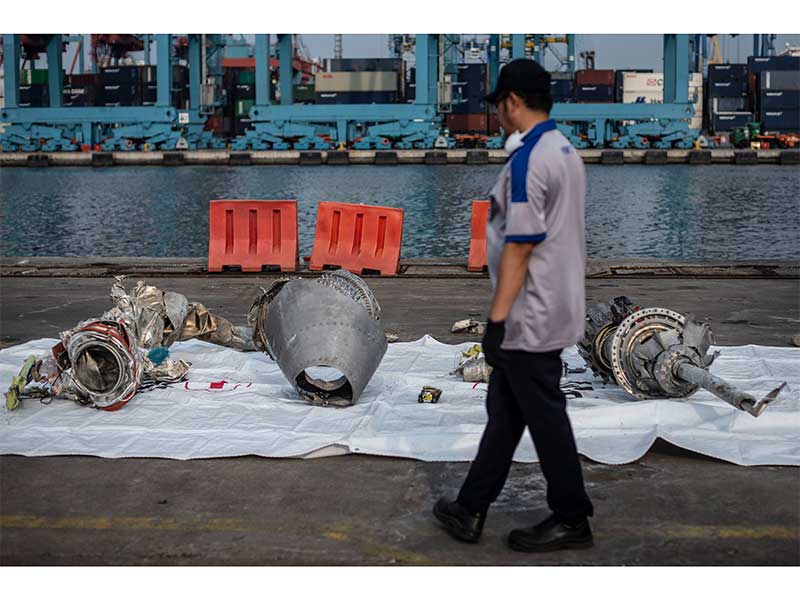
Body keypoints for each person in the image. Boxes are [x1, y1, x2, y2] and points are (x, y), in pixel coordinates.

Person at [433, 59, 594, 553]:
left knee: (544, 415)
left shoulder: (528, 160)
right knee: (505, 410)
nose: (498, 116)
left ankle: (571, 516)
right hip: (557, 301)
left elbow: (520, 245)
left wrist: (497, 320)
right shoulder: (565, 151)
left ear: (512, 103)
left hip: (530, 311)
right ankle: (470, 508)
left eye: (499, 106)